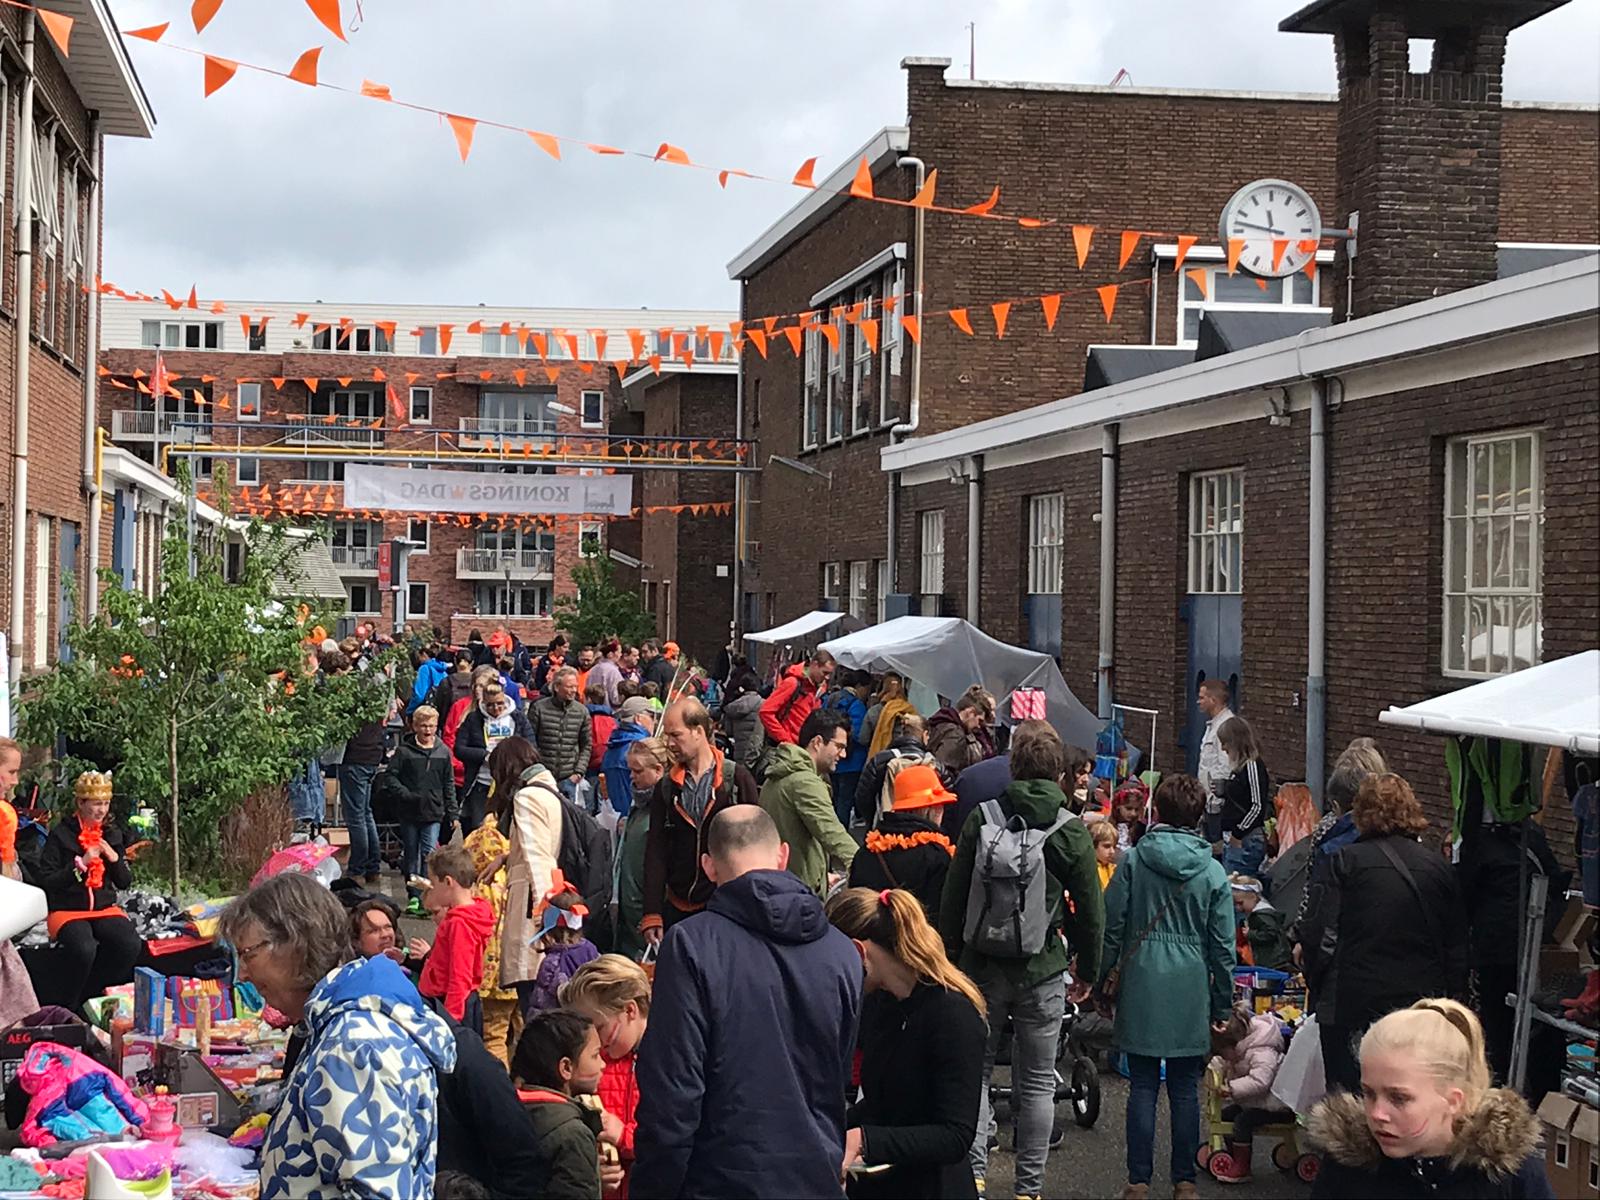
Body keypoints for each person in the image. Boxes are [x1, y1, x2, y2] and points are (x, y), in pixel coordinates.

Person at [632, 807, 862, 1200]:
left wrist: (653, 1188)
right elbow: (837, 1077)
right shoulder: (842, 952)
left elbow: (673, 1092)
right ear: (783, 855)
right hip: (814, 1174)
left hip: (718, 1179)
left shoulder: (691, 944)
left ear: (708, 866)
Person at [939, 723, 1104, 1200]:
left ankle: (975, 1178)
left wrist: (952, 956)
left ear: (1013, 765)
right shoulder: (1070, 830)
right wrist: (1088, 971)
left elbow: (954, 896)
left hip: (981, 967)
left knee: (977, 1073)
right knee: (1035, 1082)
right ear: (1058, 772)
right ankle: (1028, 1189)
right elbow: (1091, 913)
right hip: (1042, 968)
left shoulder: (982, 818)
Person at [221, 873, 456, 1199]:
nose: (243, 973)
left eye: (248, 954)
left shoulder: (353, 1047)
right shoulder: (340, 1024)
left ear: (295, 944)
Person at [1097, 773, 1233, 1200]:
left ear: (1157, 812)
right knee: (1184, 1086)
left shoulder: (1136, 860)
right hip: (1190, 981)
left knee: (1141, 1084)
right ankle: (1185, 1181)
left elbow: (1112, 924)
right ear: (1198, 817)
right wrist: (1223, 1005)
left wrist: (1101, 980)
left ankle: (1138, 1181)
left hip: (1142, 977)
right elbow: (1223, 946)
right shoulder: (1212, 871)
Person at [1297, 773, 1469, 1096]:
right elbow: (1456, 946)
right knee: (1408, 1095)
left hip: (1352, 1001)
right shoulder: (1438, 869)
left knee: (1351, 1101)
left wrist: (1318, 986)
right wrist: (1451, 1004)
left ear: (1361, 814)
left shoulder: (1343, 862)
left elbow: (1320, 934)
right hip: (1417, 1004)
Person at [828, 888, 986, 1200]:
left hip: (933, 1187)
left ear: (858, 952)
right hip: (883, 1183)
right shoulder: (883, 1003)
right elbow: (885, 1102)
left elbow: (955, 1135)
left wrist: (864, 1140)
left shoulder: (952, 1014)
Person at [1307, 999, 1553, 1198]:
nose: (1376, 1113)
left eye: (1399, 1098)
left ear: (1454, 1101)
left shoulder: (1509, 1174)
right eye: (1369, 1093)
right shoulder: (1348, 1166)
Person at [640, 700, 758, 944]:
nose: (669, 743)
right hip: (677, 907)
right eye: (667, 736)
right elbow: (656, 849)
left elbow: (756, 846)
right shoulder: (666, 787)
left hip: (727, 907)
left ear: (699, 731)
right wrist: (652, 912)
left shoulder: (736, 780)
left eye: (676, 735)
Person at [37, 771, 142, 1008]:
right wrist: (81, 865)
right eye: (96, 804)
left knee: (129, 944)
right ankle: (69, 1004)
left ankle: (95, 996)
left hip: (104, 908)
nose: (102, 810)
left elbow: (124, 882)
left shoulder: (111, 834)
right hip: (68, 909)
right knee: (83, 949)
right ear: (81, 803)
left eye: (105, 804)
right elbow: (47, 880)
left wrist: (115, 858)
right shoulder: (61, 835)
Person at [561, 955, 653, 1199]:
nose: (597, 1042)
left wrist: (625, 1136)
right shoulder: (597, 1063)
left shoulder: (667, 1062)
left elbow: (675, 1131)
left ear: (630, 1010)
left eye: (600, 1028)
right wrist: (592, 1166)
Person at [485, 738, 565, 1011]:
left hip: (532, 906)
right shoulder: (550, 791)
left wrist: (544, 914)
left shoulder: (527, 797)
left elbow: (537, 855)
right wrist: (507, 856)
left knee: (532, 994)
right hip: (550, 893)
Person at [758, 708, 860, 897]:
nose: (843, 755)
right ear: (818, 742)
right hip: (798, 895)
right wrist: (865, 865)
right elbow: (832, 833)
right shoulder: (804, 782)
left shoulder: (780, 775)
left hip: (781, 886)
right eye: (839, 746)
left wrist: (821, 875)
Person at [513, 1010, 613, 1200]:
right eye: (595, 1055)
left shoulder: (506, 1111)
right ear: (566, 1068)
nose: (602, 1064)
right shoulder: (573, 1135)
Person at [848, 764, 957, 919]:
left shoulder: (868, 850)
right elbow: (943, 913)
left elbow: (854, 905)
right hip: (915, 940)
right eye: (940, 806)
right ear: (934, 809)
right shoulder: (937, 856)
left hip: (870, 938)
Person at [463, 806, 522, 1068]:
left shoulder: (481, 887)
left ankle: (502, 1085)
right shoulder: (516, 879)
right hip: (520, 967)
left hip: (491, 975)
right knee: (520, 1028)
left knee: (493, 1035)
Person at [1206, 1005, 1291, 1185]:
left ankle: (1242, 1165)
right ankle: (1232, 1153)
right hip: (1257, 1102)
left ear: (1234, 1044)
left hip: (1275, 1106)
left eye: (1223, 1052)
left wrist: (1232, 1088)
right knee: (1226, 1115)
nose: (1225, 1057)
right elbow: (1223, 1063)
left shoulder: (1262, 1051)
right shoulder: (1240, 1052)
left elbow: (1261, 1081)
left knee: (1243, 1122)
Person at [411, 845, 496, 1024]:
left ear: (448, 882)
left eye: (434, 884)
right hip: (458, 1001)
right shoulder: (475, 911)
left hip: (449, 1004)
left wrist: (450, 1021)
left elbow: (460, 976)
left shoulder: (459, 923)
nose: (432, 890)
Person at [387, 706, 458, 915]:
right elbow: (391, 777)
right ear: (415, 726)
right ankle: (414, 897)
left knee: (429, 853)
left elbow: (449, 783)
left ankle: (428, 895)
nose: (428, 730)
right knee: (411, 853)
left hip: (433, 811)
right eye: (424, 726)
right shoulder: (404, 752)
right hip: (409, 811)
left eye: (432, 726)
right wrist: (405, 794)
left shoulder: (443, 752)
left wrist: (453, 813)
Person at [614, 737, 671, 962]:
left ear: (658, 770)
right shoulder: (638, 808)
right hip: (629, 913)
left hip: (647, 914)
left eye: (637, 771)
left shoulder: (665, 810)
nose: (631, 777)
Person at [456, 684, 536, 835]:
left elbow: (531, 747)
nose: (496, 708)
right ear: (484, 703)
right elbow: (459, 749)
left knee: (506, 829)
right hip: (481, 782)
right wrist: (485, 755)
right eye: (490, 705)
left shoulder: (517, 718)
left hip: (510, 783)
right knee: (478, 828)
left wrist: (512, 758)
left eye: (500, 703)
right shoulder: (474, 719)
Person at [856, 712, 949, 829]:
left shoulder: (879, 761)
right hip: (925, 831)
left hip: (886, 829)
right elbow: (946, 802)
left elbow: (862, 798)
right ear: (925, 735)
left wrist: (874, 821)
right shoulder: (936, 765)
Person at [340, 677, 389, 887]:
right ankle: (372, 866)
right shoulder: (378, 709)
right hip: (371, 760)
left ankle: (358, 868)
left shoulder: (354, 711)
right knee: (366, 814)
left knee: (356, 817)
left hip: (355, 760)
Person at [526, 883, 601, 1015]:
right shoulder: (592, 950)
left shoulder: (552, 963)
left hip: (560, 1029)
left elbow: (541, 1007)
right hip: (590, 1023)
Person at [531, 667, 595, 806]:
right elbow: (530, 741)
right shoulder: (539, 708)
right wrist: (537, 768)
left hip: (568, 777)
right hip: (543, 775)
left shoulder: (582, 712)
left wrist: (579, 772)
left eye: (575, 687)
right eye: (569, 687)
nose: (573, 690)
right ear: (556, 687)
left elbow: (587, 744)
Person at [1216, 716, 1271, 876]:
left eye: (1225, 742)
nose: (1223, 748)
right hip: (1235, 837)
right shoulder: (1239, 769)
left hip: (1245, 839)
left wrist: (1238, 832)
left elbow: (1257, 805)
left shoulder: (1252, 766)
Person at [823, 670, 873, 827]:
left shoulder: (829, 699)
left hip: (830, 757)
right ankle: (840, 834)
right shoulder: (856, 705)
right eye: (867, 689)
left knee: (833, 799)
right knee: (845, 802)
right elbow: (859, 735)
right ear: (859, 686)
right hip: (852, 761)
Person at [758, 650, 835, 746]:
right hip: (785, 748)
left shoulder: (815, 689)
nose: (827, 677)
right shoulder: (792, 683)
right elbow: (765, 711)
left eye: (829, 674)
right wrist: (785, 740)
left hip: (799, 747)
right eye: (825, 672)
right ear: (815, 665)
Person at [601, 697, 657, 820]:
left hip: (616, 818)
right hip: (638, 818)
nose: (655, 721)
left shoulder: (613, 745)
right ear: (638, 718)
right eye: (652, 716)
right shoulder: (641, 747)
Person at [1195, 678, 1235, 841]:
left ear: (1214, 700)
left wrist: (1215, 796)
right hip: (1208, 802)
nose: (1199, 701)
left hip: (1217, 804)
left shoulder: (1226, 727)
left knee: (1216, 845)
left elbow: (1226, 765)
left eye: (1202, 697)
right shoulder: (1213, 725)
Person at [926, 687, 994, 778]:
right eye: (979, 720)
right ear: (970, 712)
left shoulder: (940, 722)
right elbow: (944, 771)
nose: (979, 726)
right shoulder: (955, 735)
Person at [1230, 874, 1292, 971]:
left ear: (1253, 897)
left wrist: (1251, 934)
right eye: (1235, 904)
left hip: (1274, 960)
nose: (1238, 908)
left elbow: (1271, 933)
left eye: (1240, 903)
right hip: (1267, 958)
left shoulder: (1262, 915)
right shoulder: (1256, 914)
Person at [720, 661, 766, 771]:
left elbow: (729, 731)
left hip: (738, 752)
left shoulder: (733, 707)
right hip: (757, 755)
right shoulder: (764, 705)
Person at [863, 672, 915, 759]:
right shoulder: (910, 710)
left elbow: (863, 739)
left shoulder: (873, 711)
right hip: (903, 759)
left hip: (878, 759)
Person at [585, 682, 617, 813]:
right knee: (603, 801)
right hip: (607, 764)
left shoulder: (585, 718)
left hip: (589, 765)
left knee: (588, 803)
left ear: (589, 699)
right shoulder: (613, 720)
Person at [409, 641, 454, 715]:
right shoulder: (442, 670)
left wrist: (410, 711)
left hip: (427, 711)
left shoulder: (424, 669)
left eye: (419, 657)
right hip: (441, 710)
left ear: (424, 655)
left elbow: (420, 695)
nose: (419, 660)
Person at [432, 652, 478, 717]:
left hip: (450, 721)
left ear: (455, 661)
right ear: (472, 663)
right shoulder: (478, 681)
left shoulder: (446, 682)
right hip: (473, 721)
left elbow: (440, 705)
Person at [589, 640, 626, 710]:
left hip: (591, 710)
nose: (621, 655)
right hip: (608, 712)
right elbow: (616, 699)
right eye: (619, 652)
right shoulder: (613, 671)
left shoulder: (592, 669)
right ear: (611, 654)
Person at [1092, 820, 1119, 889]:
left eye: (1114, 847)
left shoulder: (1116, 869)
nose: (1112, 851)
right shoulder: (1087, 871)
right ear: (1093, 845)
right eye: (1107, 846)